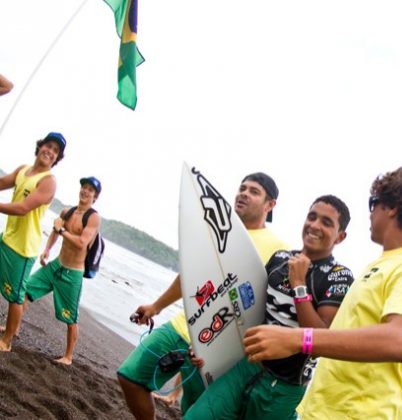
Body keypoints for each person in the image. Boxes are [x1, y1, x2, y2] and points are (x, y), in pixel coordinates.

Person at [244, 164, 402, 419]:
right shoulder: (382, 264)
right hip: (322, 408)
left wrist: (298, 338)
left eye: (373, 204)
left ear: (392, 206)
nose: (370, 215)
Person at [117, 172, 288, 419]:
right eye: (242, 187)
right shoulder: (217, 228)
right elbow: (190, 274)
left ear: (270, 205)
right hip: (183, 328)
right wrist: (156, 306)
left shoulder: (278, 249)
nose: (243, 193)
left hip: (220, 348)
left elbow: (271, 306)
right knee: (131, 376)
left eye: (254, 191)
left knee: (194, 410)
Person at [184, 194, 354, 420]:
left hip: (283, 387)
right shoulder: (280, 258)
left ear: (340, 237)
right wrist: (208, 344)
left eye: (326, 222)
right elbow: (244, 308)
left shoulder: (339, 276)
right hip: (245, 366)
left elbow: (318, 339)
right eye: (311, 217)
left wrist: (299, 285)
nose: (314, 225)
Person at [17, 177, 103, 365]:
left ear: (95, 197)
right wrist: (47, 249)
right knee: (24, 290)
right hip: (55, 266)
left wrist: (61, 230)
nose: (85, 191)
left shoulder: (94, 218)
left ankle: (68, 357)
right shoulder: (68, 211)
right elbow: (55, 232)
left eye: (90, 190)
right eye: (84, 187)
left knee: (70, 318)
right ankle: (14, 328)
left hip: (72, 274)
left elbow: (81, 243)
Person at [0, 132, 67, 351]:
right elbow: (1, 183)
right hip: (8, 237)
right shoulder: (23, 170)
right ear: (39, 147)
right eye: (48, 146)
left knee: (15, 296)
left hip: (23, 247)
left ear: (57, 159)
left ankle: (7, 340)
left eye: (55, 151)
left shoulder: (48, 182)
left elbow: (23, 208)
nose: (50, 152)